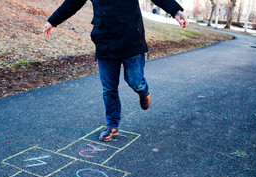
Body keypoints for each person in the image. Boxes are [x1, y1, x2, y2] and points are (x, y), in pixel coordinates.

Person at [44, 0, 188, 142]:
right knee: (109, 88)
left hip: (131, 39)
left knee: (135, 81)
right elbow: (72, 3)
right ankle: (112, 125)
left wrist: (175, 11)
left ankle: (143, 91)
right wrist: (52, 21)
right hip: (105, 40)